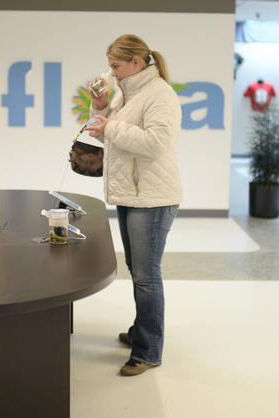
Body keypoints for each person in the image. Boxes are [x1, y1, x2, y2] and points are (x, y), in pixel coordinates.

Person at [85, 34, 182, 376]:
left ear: (136, 63)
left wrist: (111, 128)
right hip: (133, 194)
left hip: (152, 199)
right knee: (139, 271)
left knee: (146, 276)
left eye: (116, 66)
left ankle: (149, 351)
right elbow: (115, 128)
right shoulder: (131, 93)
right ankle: (143, 333)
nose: (112, 72)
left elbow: (156, 143)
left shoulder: (160, 95)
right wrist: (100, 107)